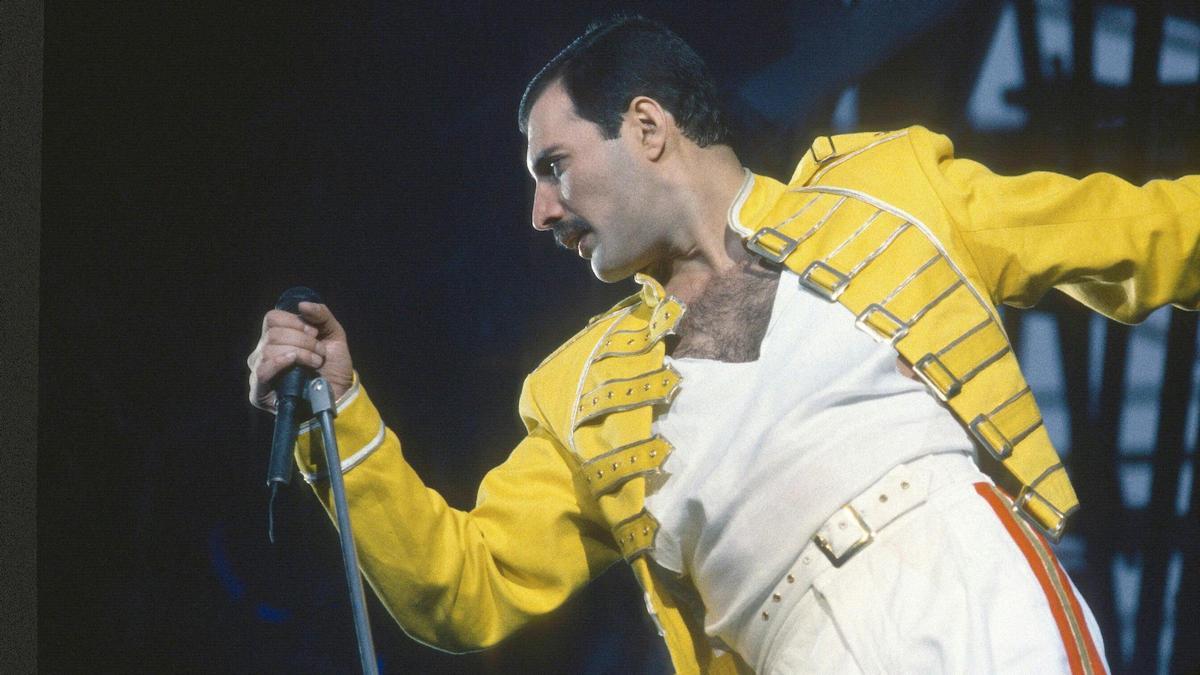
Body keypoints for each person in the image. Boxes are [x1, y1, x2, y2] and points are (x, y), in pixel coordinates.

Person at [247, 16, 1198, 674]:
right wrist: (347, 418)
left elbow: (1147, 233)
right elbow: (467, 585)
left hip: (968, 579)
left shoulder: (892, 195)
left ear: (648, 128)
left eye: (554, 166)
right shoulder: (577, 390)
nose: (540, 211)